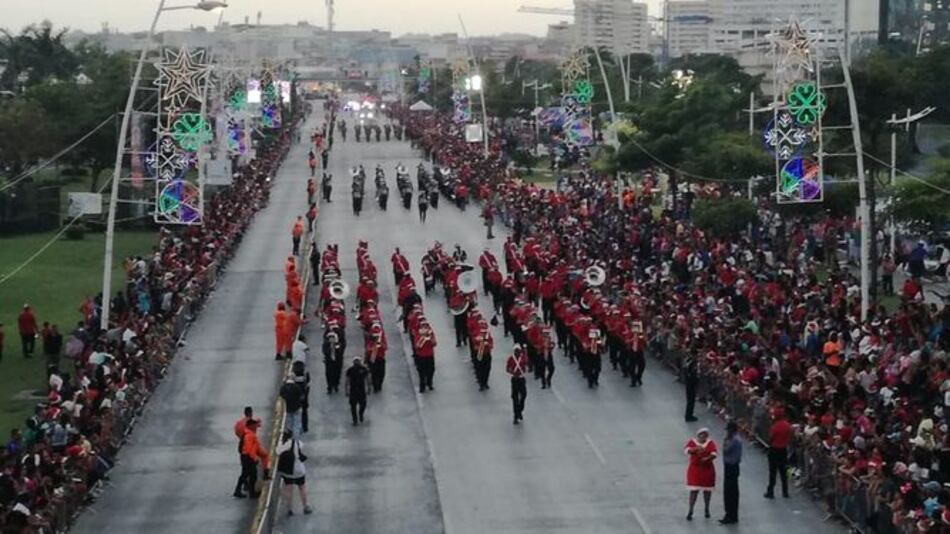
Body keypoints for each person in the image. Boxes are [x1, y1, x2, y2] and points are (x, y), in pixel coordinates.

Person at [276, 430, 313, 516]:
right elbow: (301, 446)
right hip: (299, 469)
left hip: (288, 471)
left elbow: (277, 451)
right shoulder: (297, 442)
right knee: (302, 487)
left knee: (288, 489)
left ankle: (289, 509)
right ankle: (306, 506)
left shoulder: (283, 444)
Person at [684, 427, 717, 521]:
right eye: (702, 435)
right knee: (694, 491)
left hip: (707, 469)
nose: (703, 437)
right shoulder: (692, 442)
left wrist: (707, 458)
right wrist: (695, 449)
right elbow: (687, 450)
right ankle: (690, 510)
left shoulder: (710, 443)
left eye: (705, 435)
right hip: (695, 470)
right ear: (698, 435)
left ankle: (707, 509)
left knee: (707, 491)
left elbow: (714, 453)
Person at [235, 418, 270, 498]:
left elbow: (254, 447)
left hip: (246, 457)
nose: (256, 427)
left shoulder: (248, 433)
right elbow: (249, 448)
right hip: (248, 457)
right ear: (251, 426)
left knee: (248, 474)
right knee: (251, 475)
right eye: (255, 426)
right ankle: (250, 492)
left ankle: (241, 491)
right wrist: (254, 458)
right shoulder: (249, 435)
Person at [764, 407, 792, 499]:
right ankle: (785, 491)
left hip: (774, 450)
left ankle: (770, 491)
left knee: (772, 472)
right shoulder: (787, 425)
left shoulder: (775, 426)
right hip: (783, 450)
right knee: (784, 471)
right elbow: (789, 437)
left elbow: (770, 438)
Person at [720, 421, 742, 524]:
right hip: (732, 466)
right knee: (731, 491)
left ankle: (730, 514)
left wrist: (725, 440)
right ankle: (731, 514)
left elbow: (725, 450)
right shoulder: (736, 439)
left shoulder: (734, 440)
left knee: (729, 491)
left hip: (731, 466)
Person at [507, 345, 528, 424]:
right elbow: (507, 368)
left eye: (518, 350)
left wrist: (525, 350)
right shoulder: (511, 358)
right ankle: (515, 416)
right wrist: (512, 372)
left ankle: (520, 410)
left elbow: (526, 361)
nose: (517, 352)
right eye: (516, 350)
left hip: (521, 378)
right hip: (515, 379)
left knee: (524, 395)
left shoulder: (522, 357)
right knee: (515, 398)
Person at [345, 357, 370, 426]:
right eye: (355, 361)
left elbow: (368, 378)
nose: (356, 362)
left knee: (363, 404)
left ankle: (361, 413)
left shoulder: (364, 369)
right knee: (353, 406)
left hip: (361, 390)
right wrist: (346, 390)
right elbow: (347, 380)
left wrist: (369, 387)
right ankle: (355, 420)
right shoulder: (350, 370)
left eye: (357, 361)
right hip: (353, 391)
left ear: (360, 362)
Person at [292, 360, 311, 434]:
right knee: (304, 412)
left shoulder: (293, 377)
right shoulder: (305, 376)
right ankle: (305, 427)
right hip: (304, 396)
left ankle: (296, 427)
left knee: (295, 413)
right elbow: (308, 385)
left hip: (296, 397)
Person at [683, 354, 699, 422]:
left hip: (688, 383)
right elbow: (693, 374)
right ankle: (689, 416)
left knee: (689, 401)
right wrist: (696, 380)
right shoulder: (692, 363)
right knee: (691, 401)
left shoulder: (688, 361)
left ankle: (688, 415)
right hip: (691, 384)